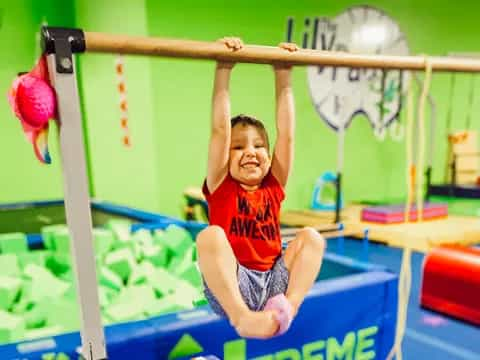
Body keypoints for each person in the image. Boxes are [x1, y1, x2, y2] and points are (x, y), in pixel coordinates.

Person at [196, 37, 325, 339]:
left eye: (258, 146)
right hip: (234, 284)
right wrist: (224, 66)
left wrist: (284, 74)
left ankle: (288, 307)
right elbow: (218, 131)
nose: (250, 152)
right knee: (210, 236)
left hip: (274, 282)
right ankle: (242, 317)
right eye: (237, 147)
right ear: (225, 156)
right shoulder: (221, 184)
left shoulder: (273, 185)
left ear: (269, 154)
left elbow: (287, 134)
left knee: (312, 238)